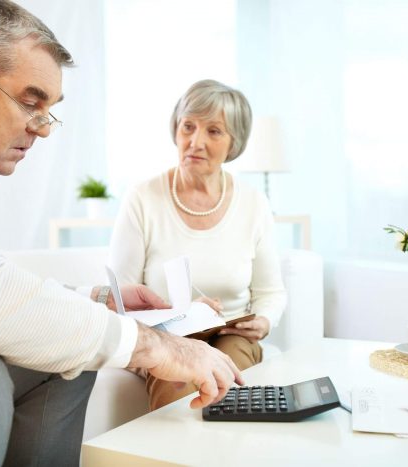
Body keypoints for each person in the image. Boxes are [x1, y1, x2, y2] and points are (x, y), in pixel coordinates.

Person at [0, 2, 242, 466]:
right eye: (31, 103)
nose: (44, 129)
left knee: (65, 352)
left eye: (50, 111)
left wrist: (92, 300)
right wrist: (150, 344)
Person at [109, 79, 287, 410]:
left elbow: (271, 292)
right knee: (178, 387)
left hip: (233, 332)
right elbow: (119, 295)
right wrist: (185, 314)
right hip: (166, 335)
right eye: (188, 127)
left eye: (214, 131)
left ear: (234, 142)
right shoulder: (143, 198)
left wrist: (264, 319)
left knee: (228, 380)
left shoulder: (253, 203)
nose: (196, 141)